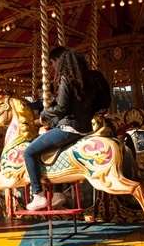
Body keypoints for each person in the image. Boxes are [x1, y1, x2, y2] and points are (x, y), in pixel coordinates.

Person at [24, 47, 94, 211]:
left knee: (29, 152)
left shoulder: (66, 79)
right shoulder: (84, 80)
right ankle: (57, 192)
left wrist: (44, 115)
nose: (53, 67)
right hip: (85, 128)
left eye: (53, 64)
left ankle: (38, 195)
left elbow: (62, 107)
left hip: (69, 128)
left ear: (58, 61)